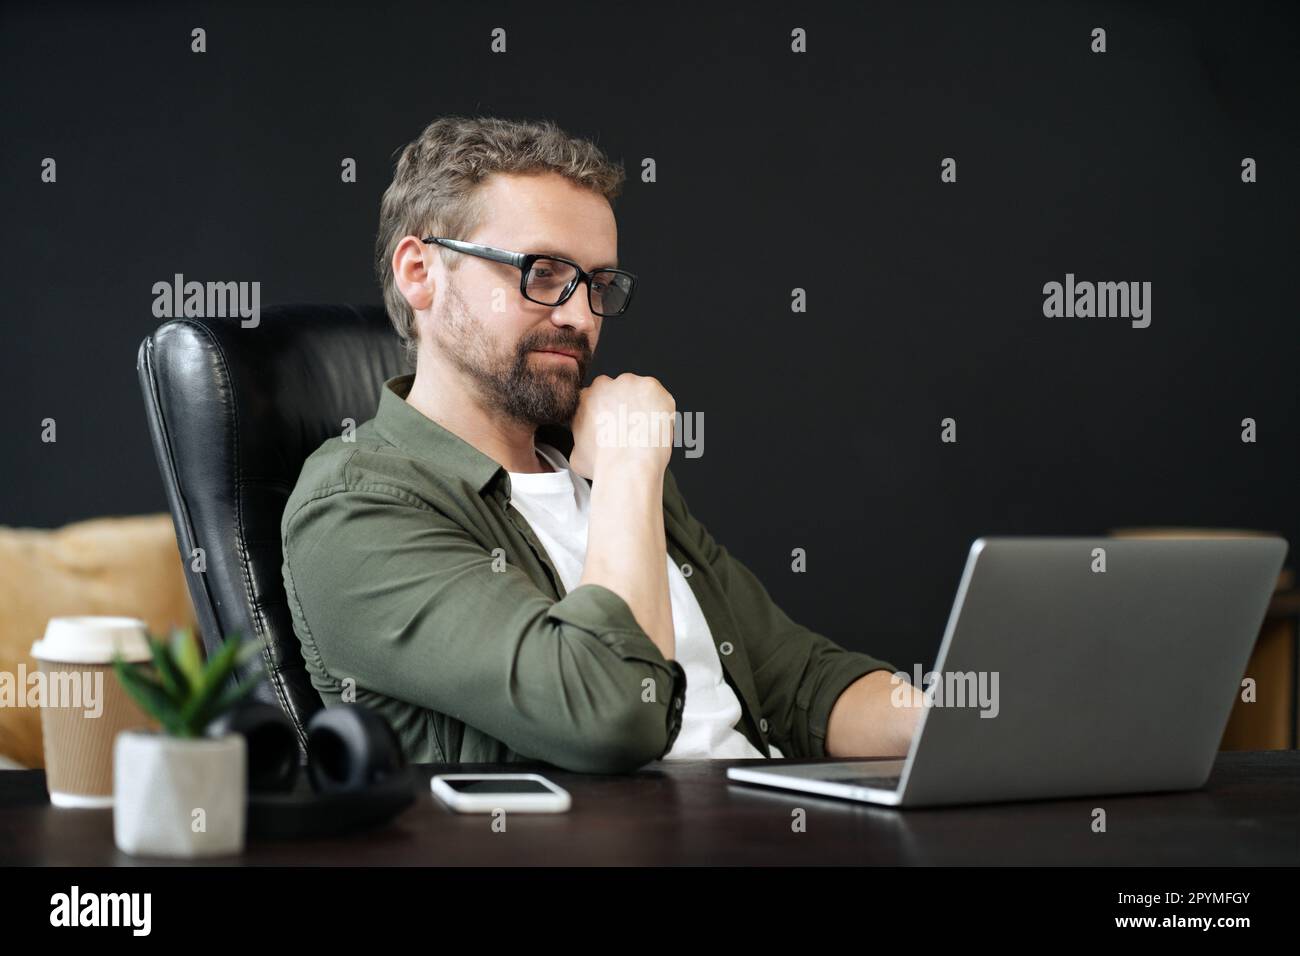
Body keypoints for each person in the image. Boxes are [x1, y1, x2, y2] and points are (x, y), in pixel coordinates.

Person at [281, 116, 924, 773]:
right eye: (541, 272)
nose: (580, 316)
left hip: (763, 818)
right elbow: (612, 714)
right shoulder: (354, 509)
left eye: (598, 283)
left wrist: (966, 725)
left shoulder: (597, 465)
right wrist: (629, 466)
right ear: (421, 273)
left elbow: (802, 684)